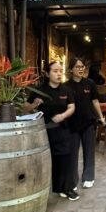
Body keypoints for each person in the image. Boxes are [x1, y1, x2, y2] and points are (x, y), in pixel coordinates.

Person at [24, 61, 78, 200]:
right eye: (55, 71)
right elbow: (25, 108)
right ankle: (48, 189)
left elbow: (71, 107)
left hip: (63, 129)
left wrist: (63, 116)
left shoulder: (66, 90)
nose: (59, 74)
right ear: (47, 74)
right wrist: (35, 104)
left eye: (60, 71)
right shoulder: (39, 90)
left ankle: (67, 188)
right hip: (44, 131)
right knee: (48, 159)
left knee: (65, 158)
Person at [64, 57, 106, 190]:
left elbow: (95, 101)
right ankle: (72, 180)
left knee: (89, 151)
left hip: (89, 121)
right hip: (72, 123)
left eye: (82, 67)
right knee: (72, 153)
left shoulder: (90, 83)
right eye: (77, 67)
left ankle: (88, 177)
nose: (80, 69)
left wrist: (101, 117)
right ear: (71, 69)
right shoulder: (65, 86)